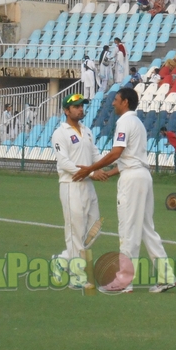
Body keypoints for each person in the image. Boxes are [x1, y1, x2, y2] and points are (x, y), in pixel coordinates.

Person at [73, 88, 176, 293]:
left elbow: (116, 153)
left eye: (117, 100)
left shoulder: (124, 122)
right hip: (143, 176)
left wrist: (91, 169)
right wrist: (106, 174)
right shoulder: (137, 122)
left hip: (132, 180)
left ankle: (125, 281)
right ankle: (167, 276)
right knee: (147, 229)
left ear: (126, 102)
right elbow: (127, 159)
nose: (113, 104)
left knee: (128, 229)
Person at [51, 93, 107, 288]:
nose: (80, 109)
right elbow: (64, 162)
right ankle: (76, 277)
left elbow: (95, 154)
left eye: (82, 106)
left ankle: (62, 260)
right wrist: (91, 173)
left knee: (94, 229)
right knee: (75, 233)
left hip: (88, 187)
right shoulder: (61, 133)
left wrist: (100, 168)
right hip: (71, 186)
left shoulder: (87, 131)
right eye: (76, 107)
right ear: (67, 111)